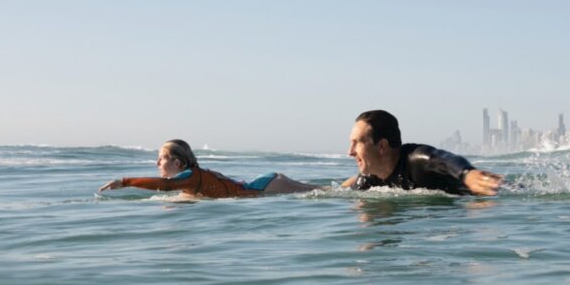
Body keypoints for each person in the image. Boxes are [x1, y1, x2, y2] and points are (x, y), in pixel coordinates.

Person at [341, 110, 503, 196]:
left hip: (488, 193)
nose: (350, 152)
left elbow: (445, 159)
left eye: (357, 143)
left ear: (382, 146)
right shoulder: (369, 179)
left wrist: (467, 174)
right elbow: (341, 193)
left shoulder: (417, 159)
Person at [99, 139, 317, 199]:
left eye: (161, 158)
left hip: (265, 188)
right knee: (328, 190)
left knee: (329, 193)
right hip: (267, 182)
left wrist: (125, 181)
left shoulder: (190, 176)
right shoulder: (189, 181)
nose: (157, 164)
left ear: (177, 163)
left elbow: (164, 186)